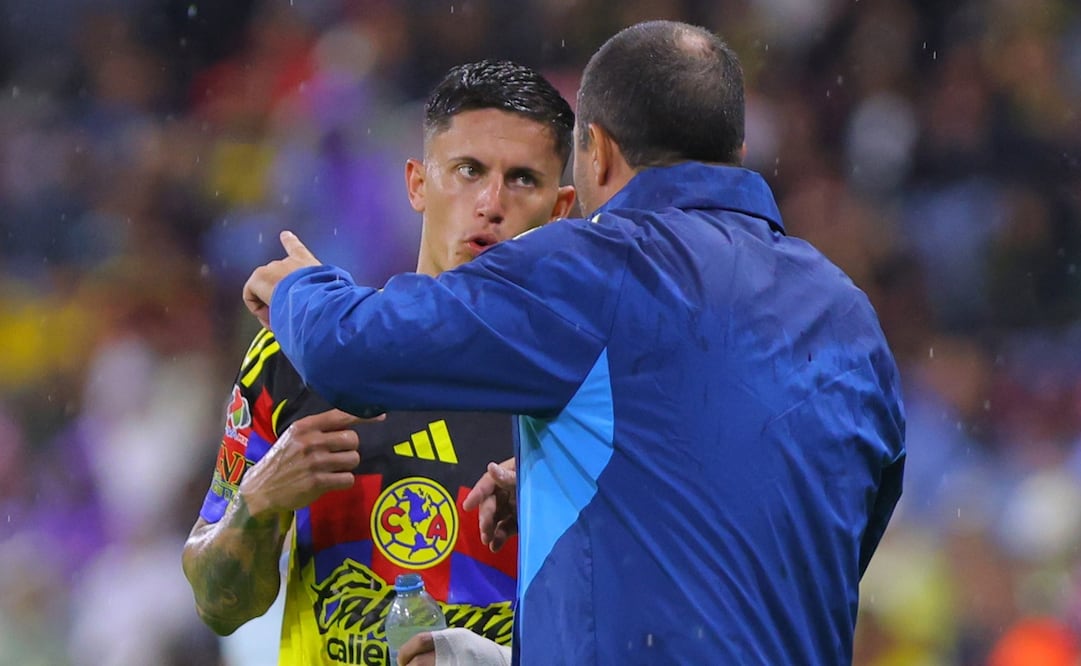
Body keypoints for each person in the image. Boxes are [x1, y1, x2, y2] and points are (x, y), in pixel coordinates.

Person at [244, 20, 907, 665]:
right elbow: (811, 535)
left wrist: (299, 290)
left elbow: (348, 353)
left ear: (596, 150)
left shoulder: (594, 268)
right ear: (735, 149)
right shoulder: (847, 312)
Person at [182, 59, 576, 666]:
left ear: (561, 209)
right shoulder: (294, 358)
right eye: (468, 171)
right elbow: (218, 603)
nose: (491, 203)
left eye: (522, 179)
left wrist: (562, 508)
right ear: (417, 183)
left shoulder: (582, 387)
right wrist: (260, 499)